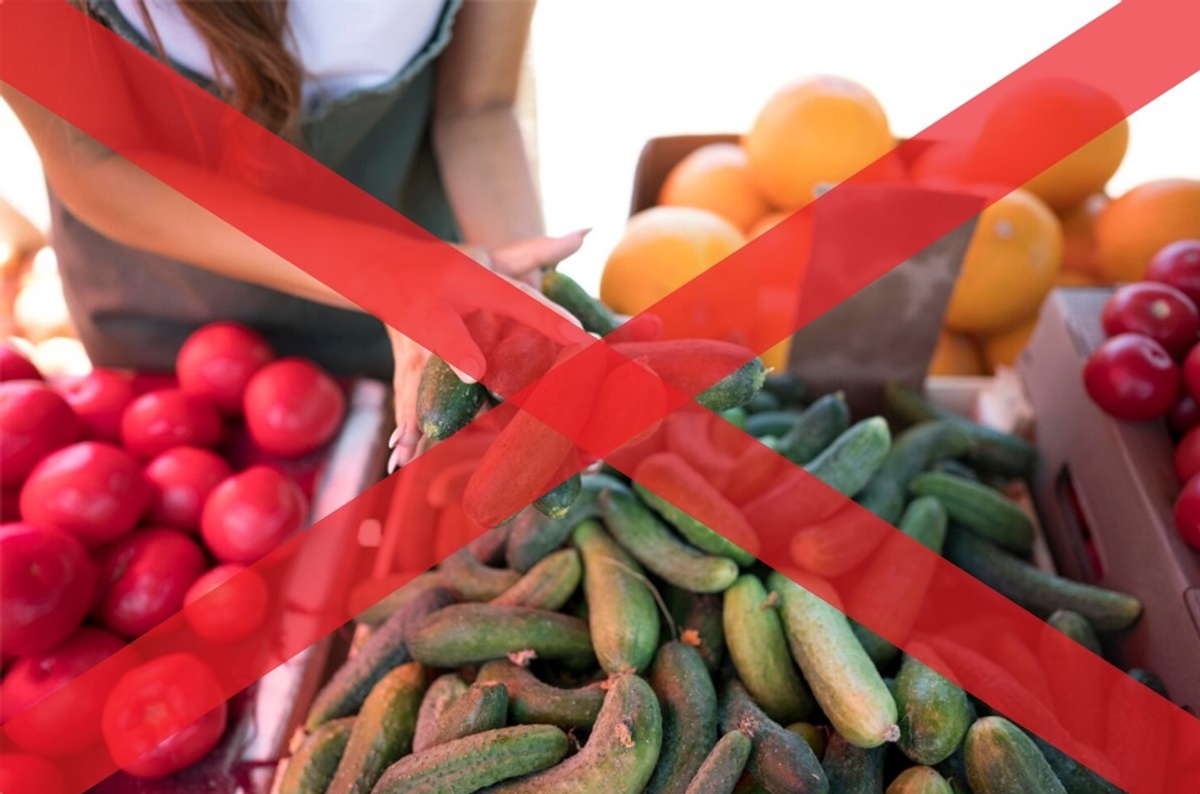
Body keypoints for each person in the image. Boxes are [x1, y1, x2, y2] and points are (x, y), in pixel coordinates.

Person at [1, 0, 586, 470]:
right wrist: (391, 273)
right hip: (171, 308)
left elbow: (478, 108)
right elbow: (95, 163)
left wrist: (522, 304)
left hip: (420, 283)